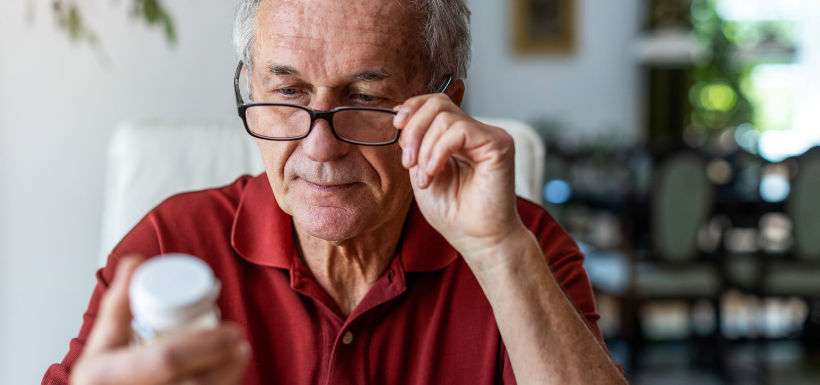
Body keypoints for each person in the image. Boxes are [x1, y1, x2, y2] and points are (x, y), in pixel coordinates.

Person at [43, 0, 626, 384]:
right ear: (249, 89)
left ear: (445, 106)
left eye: (366, 99)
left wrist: (501, 253)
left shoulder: (525, 250)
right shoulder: (170, 245)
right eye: (289, 91)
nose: (319, 148)